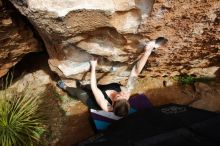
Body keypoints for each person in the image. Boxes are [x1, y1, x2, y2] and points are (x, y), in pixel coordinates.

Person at [57, 37, 167, 117]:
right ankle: (83, 86)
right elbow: (135, 72)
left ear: (113, 103)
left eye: (119, 96)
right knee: (87, 87)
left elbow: (95, 87)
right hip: (102, 89)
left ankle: (65, 88)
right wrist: (147, 52)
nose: (122, 94)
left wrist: (94, 67)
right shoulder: (126, 94)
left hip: (94, 100)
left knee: (82, 93)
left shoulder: (106, 106)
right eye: (124, 97)